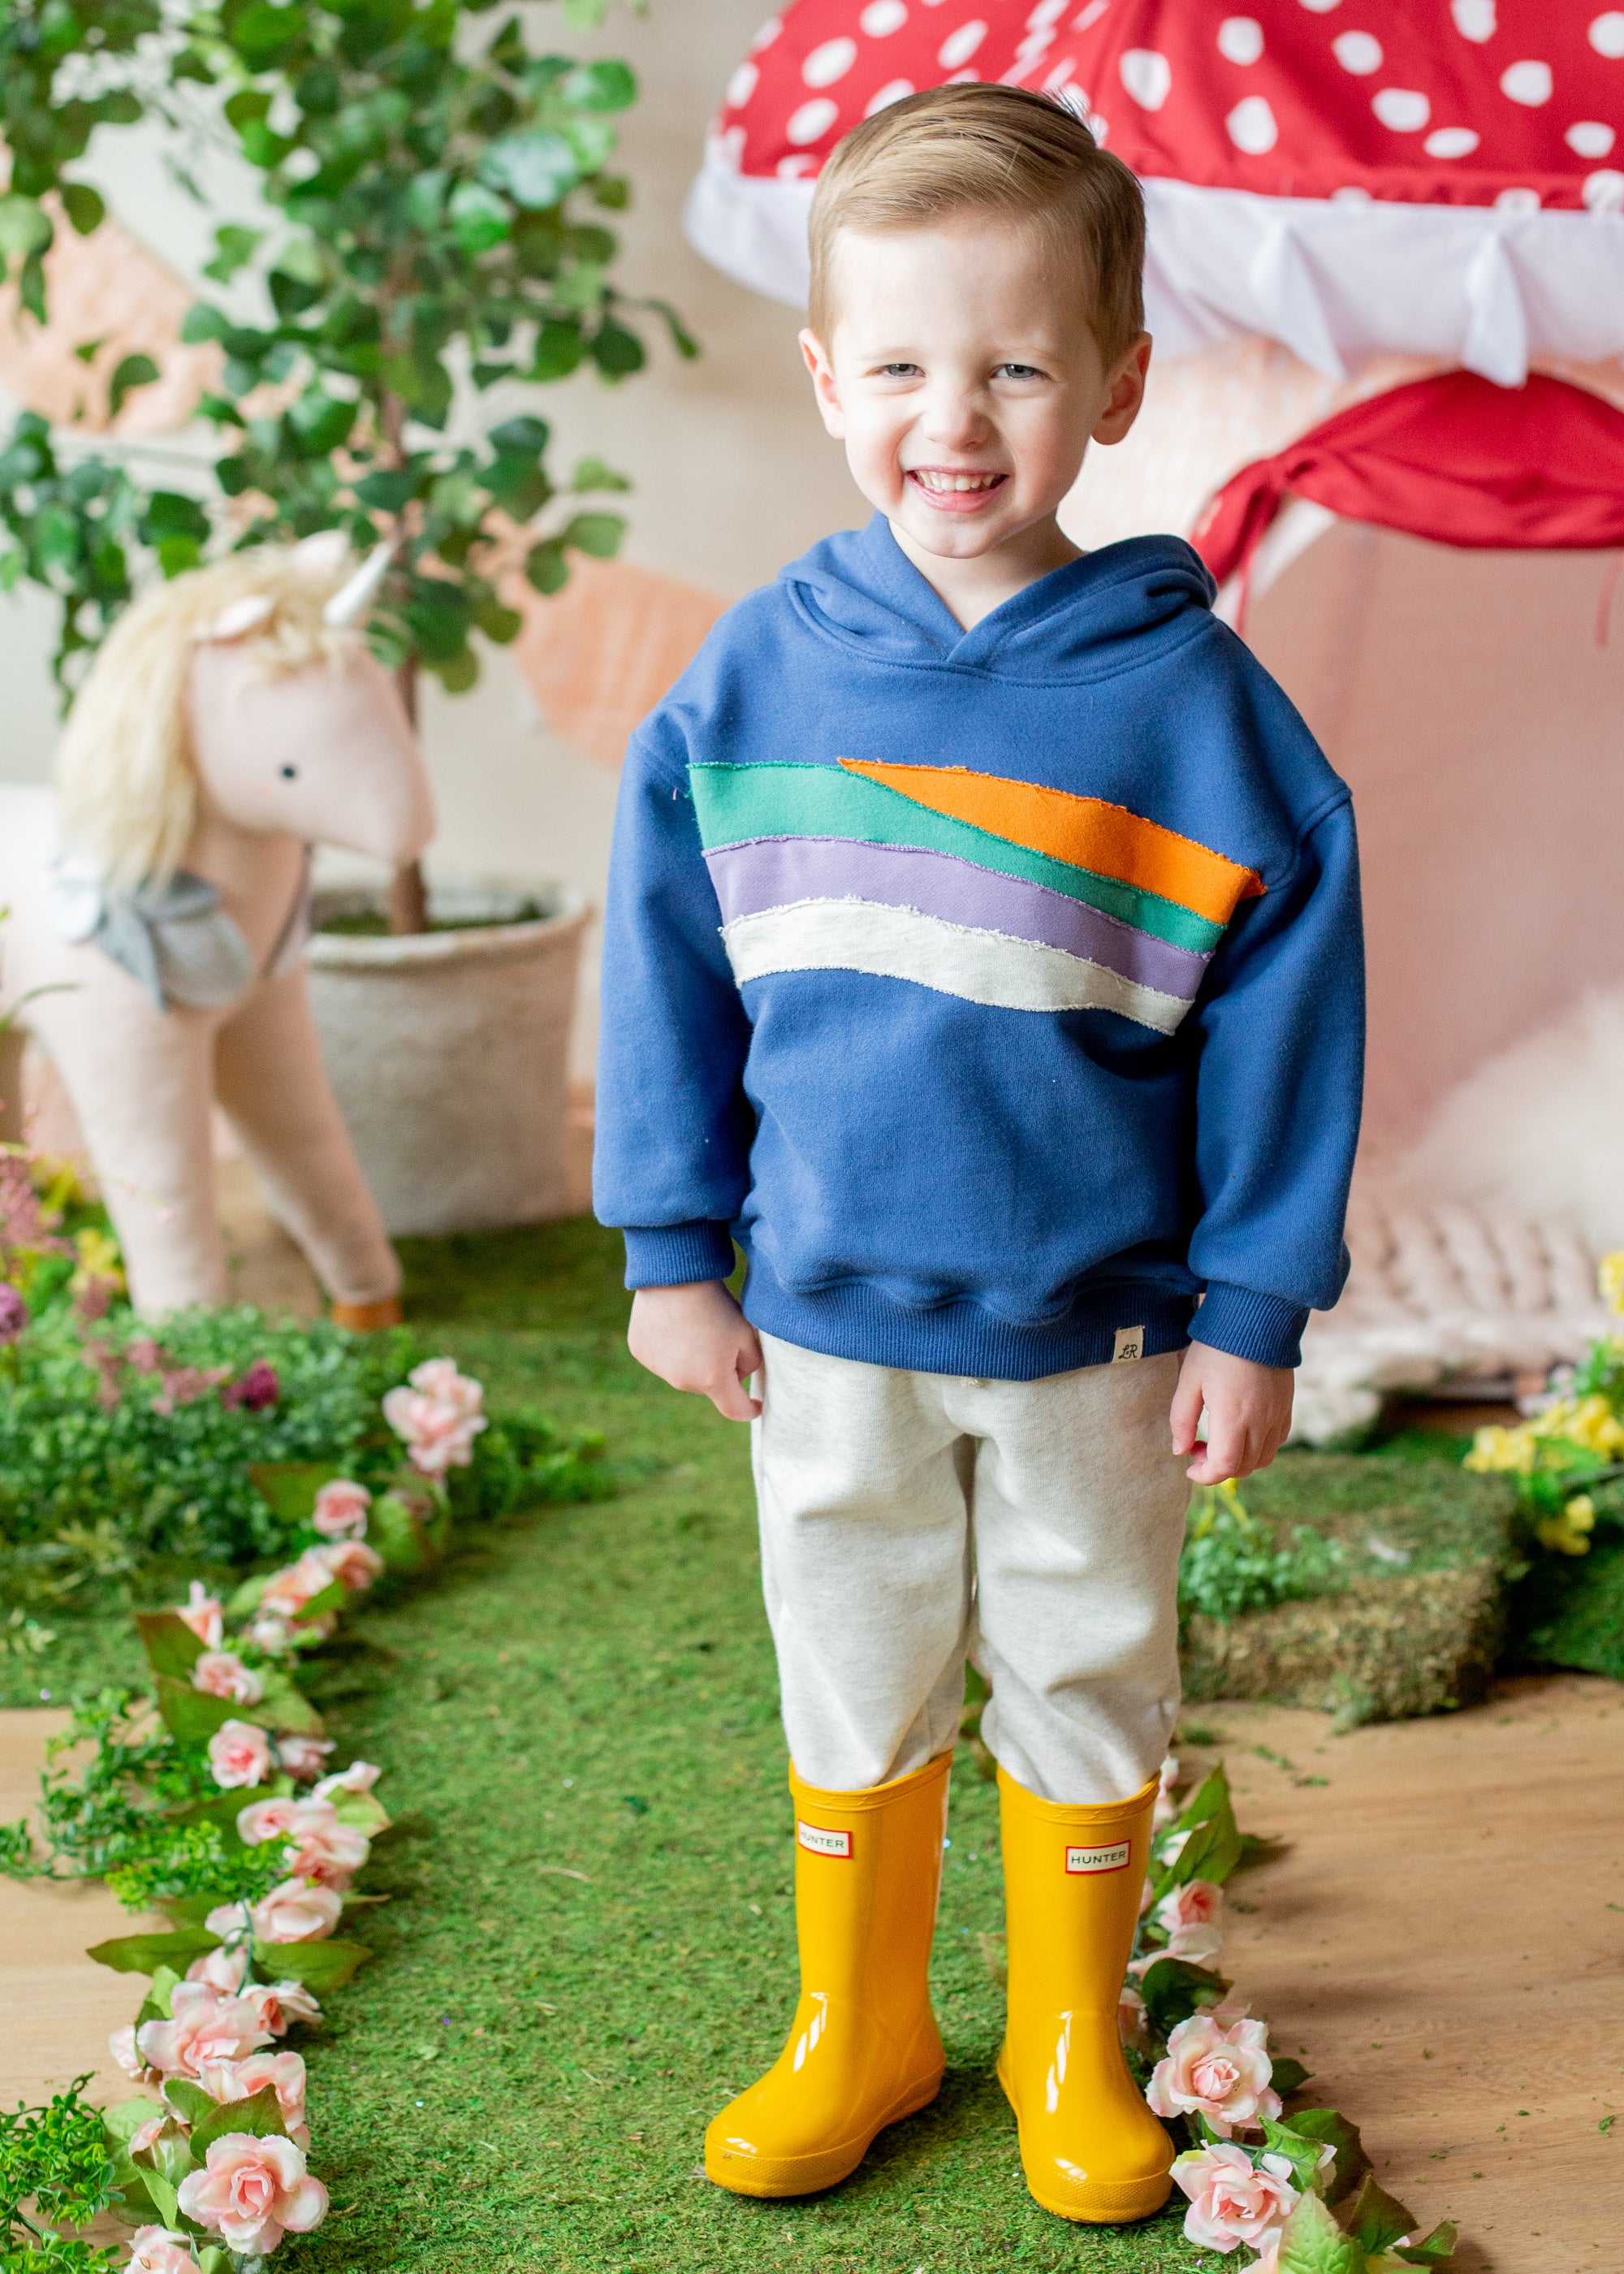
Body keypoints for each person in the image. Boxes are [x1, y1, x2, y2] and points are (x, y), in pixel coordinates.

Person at [593, 83, 1363, 2226]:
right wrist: (671, 1249)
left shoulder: (1200, 712)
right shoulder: (749, 682)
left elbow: (1292, 1033)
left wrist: (1256, 1312)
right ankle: (859, 2025)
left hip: (1103, 1329)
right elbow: (665, 977)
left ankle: (1065, 2042)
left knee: (1089, 1656)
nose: (955, 421)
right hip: (825, 1314)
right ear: (825, 375)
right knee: (850, 1651)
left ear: (1120, 385)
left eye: (1017, 368)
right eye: (904, 369)